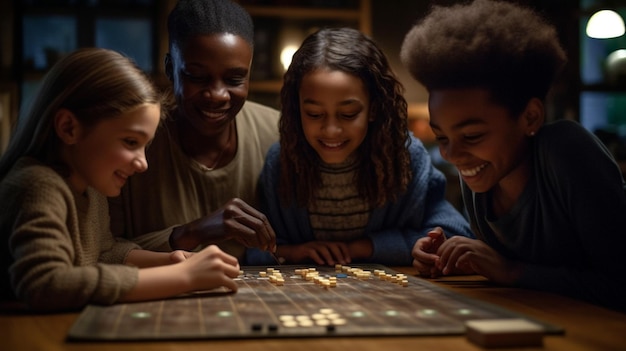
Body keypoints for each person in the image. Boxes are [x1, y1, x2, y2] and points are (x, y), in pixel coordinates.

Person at [402, 0, 626, 312]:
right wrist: (453, 257)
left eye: (472, 136)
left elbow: (620, 285)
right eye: (442, 137)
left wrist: (512, 271)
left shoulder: (567, 150)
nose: (452, 154)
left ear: (531, 117)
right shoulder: (481, 176)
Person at [0, 48, 240, 312]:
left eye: (145, 146)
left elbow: (103, 253)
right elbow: (45, 284)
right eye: (130, 142)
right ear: (69, 127)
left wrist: (171, 261)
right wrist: (184, 277)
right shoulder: (38, 185)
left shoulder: (90, 190)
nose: (142, 164)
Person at [246, 27, 473, 266]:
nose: (331, 130)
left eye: (348, 114)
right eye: (314, 114)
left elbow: (456, 235)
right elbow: (253, 250)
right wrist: (294, 253)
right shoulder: (282, 162)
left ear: (373, 108)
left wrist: (366, 247)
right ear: (297, 109)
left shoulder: (404, 158)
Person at [109, 0, 280, 261]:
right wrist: (193, 232)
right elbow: (102, 252)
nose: (217, 95)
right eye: (197, 77)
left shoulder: (278, 136)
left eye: (235, 79)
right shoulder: (131, 144)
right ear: (170, 69)